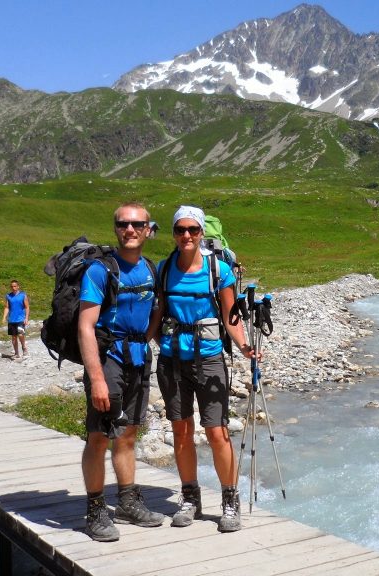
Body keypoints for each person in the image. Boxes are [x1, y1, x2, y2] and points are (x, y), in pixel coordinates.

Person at [147, 205, 257, 533]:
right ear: (173, 233)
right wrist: (144, 341)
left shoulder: (218, 270)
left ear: (201, 233)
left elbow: (230, 317)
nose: (186, 236)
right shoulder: (164, 269)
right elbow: (158, 313)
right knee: (181, 430)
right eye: (180, 230)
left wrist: (245, 346)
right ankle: (190, 498)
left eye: (192, 230)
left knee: (217, 432)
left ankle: (229, 500)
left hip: (209, 359)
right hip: (171, 359)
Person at [78, 202, 165, 542]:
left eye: (137, 224)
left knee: (127, 433)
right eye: (123, 224)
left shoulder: (150, 268)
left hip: (139, 360)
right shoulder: (100, 271)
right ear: (115, 228)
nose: (129, 230)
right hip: (108, 359)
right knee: (99, 437)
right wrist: (97, 377)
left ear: (148, 229)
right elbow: (86, 327)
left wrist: (147, 339)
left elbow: (156, 309)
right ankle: (96, 509)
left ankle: (127, 501)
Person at [3, 280, 29, 358]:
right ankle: (16, 353)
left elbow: (27, 307)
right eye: (12, 286)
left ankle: (24, 347)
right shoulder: (8, 296)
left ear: (18, 286)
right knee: (14, 338)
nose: (13, 288)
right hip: (12, 320)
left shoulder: (23, 295)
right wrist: (4, 317)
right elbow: (7, 307)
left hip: (20, 319)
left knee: (21, 334)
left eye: (15, 286)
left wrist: (26, 318)